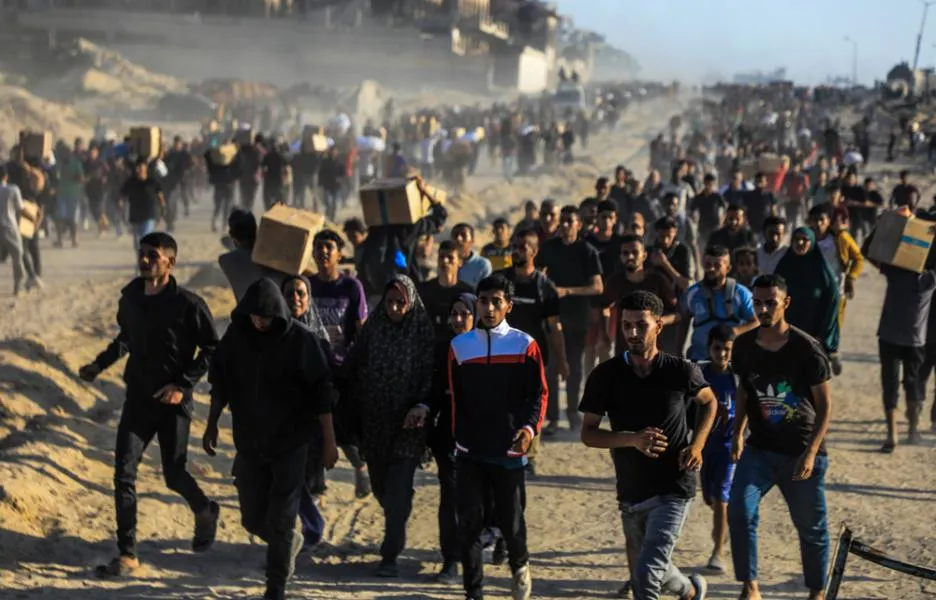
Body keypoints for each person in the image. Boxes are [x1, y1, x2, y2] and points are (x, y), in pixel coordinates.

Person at [78, 232, 219, 577]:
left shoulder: (189, 305)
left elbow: (213, 350)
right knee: (123, 473)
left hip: (173, 403)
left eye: (152, 255)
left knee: (173, 474)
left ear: (170, 262)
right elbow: (125, 337)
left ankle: (205, 510)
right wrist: (99, 365)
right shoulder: (130, 298)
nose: (144, 260)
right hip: (138, 398)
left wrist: (183, 386)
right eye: (141, 253)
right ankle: (127, 554)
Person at [203, 278, 339, 600]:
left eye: (264, 315)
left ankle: (275, 587)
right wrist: (211, 425)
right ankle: (286, 542)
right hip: (250, 442)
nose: (258, 320)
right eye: (253, 314)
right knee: (252, 518)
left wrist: (330, 442)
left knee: (282, 515)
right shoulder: (236, 339)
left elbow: (323, 394)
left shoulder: (301, 342)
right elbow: (219, 383)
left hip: (291, 443)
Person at [580, 290, 716, 600]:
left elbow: (710, 403)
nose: (632, 333)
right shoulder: (606, 375)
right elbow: (588, 433)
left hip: (674, 487)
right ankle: (691, 590)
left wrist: (697, 446)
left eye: (641, 325)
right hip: (631, 488)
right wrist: (631, 439)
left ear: (658, 326)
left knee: (645, 574)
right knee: (651, 565)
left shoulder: (682, 370)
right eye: (626, 326)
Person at [729, 274, 833, 600]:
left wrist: (812, 452)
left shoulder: (807, 349)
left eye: (770, 302)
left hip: (800, 451)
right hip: (760, 449)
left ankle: (816, 591)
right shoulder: (744, 345)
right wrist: (737, 433)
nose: (763, 309)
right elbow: (745, 391)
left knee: (811, 527)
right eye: (757, 302)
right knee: (739, 511)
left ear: (785, 303)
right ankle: (751, 586)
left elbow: (826, 406)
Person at [449, 274, 547, 600]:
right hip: (470, 450)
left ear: (508, 305)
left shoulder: (524, 345)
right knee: (469, 526)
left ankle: (520, 570)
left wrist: (529, 429)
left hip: (508, 452)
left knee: (513, 525)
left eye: (496, 301)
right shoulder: (459, 347)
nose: (488, 308)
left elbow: (539, 394)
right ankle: (473, 593)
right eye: (483, 301)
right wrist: (457, 438)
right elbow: (455, 399)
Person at [349, 274, 435, 577]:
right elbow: (355, 365)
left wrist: (421, 406)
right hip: (373, 426)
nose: (395, 308)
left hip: (409, 428)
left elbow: (431, 378)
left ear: (410, 303)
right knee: (382, 489)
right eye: (390, 302)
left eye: (401, 302)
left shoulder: (422, 333)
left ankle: (389, 555)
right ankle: (398, 510)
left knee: (397, 493)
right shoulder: (374, 329)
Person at [307, 229, 371, 497]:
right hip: (311, 368)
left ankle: (360, 469)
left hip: (342, 368)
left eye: (329, 247)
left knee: (343, 429)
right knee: (313, 427)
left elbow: (361, 328)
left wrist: (360, 366)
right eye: (319, 247)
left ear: (340, 254)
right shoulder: (307, 285)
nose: (323, 252)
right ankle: (316, 482)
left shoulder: (350, 286)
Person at [536, 205, 603, 431]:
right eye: (562, 221)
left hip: (577, 318)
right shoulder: (549, 248)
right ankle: (553, 417)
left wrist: (568, 291)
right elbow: (537, 273)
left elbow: (597, 287)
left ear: (579, 224)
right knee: (552, 367)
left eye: (569, 221)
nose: (564, 226)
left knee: (573, 367)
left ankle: (573, 412)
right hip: (553, 318)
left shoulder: (587, 250)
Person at [698, 324, 738, 574]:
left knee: (721, 498)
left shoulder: (738, 377)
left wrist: (743, 437)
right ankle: (724, 526)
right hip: (704, 447)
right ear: (708, 348)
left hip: (728, 448)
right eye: (717, 348)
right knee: (710, 498)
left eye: (727, 350)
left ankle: (718, 553)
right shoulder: (699, 375)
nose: (721, 354)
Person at [774, 227, 841, 366]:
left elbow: (833, 301)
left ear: (812, 242)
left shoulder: (821, 269)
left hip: (814, 332)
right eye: (796, 239)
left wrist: (823, 334)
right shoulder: (785, 265)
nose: (800, 243)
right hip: (787, 330)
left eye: (805, 240)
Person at [681, 245, 758, 361]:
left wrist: (735, 332)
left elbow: (756, 321)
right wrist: (679, 351)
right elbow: (684, 321)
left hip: (731, 360)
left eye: (717, 265)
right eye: (708, 265)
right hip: (700, 359)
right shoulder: (693, 293)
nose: (711, 269)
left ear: (728, 268)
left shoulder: (741, 293)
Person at [218, 209, 282, 302]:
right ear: (256, 231)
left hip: (244, 315)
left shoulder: (225, 260)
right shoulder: (271, 257)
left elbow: (228, 242)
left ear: (232, 236)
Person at [0, 165, 41, 295]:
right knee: (18, 255)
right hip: (9, 228)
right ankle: (17, 288)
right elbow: (21, 209)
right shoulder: (13, 190)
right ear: (6, 177)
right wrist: (33, 219)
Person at [119, 158, 166, 254]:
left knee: (145, 238)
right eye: (137, 167)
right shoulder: (131, 182)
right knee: (137, 244)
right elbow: (122, 195)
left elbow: (160, 195)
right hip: (135, 216)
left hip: (149, 215)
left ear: (146, 168)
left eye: (141, 166)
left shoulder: (152, 181)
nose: (139, 169)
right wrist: (120, 204)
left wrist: (163, 209)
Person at [452, 222, 493, 289]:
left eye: (463, 235)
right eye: (455, 235)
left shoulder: (482, 264)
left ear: (472, 240)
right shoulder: (446, 262)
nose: (458, 239)